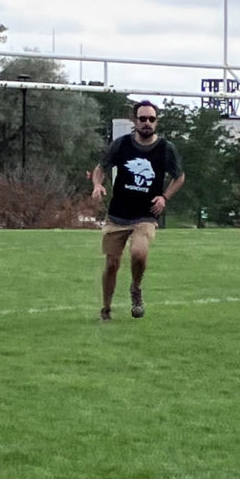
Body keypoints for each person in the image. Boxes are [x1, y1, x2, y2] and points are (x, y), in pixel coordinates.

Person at [91, 100, 185, 321]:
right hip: (117, 215)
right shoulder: (121, 145)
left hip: (145, 215)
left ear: (156, 121)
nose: (147, 123)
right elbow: (101, 168)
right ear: (135, 121)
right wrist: (97, 184)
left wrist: (164, 197)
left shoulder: (165, 148)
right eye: (142, 119)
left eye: (151, 119)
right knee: (112, 264)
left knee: (139, 253)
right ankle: (106, 308)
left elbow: (179, 177)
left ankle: (135, 288)